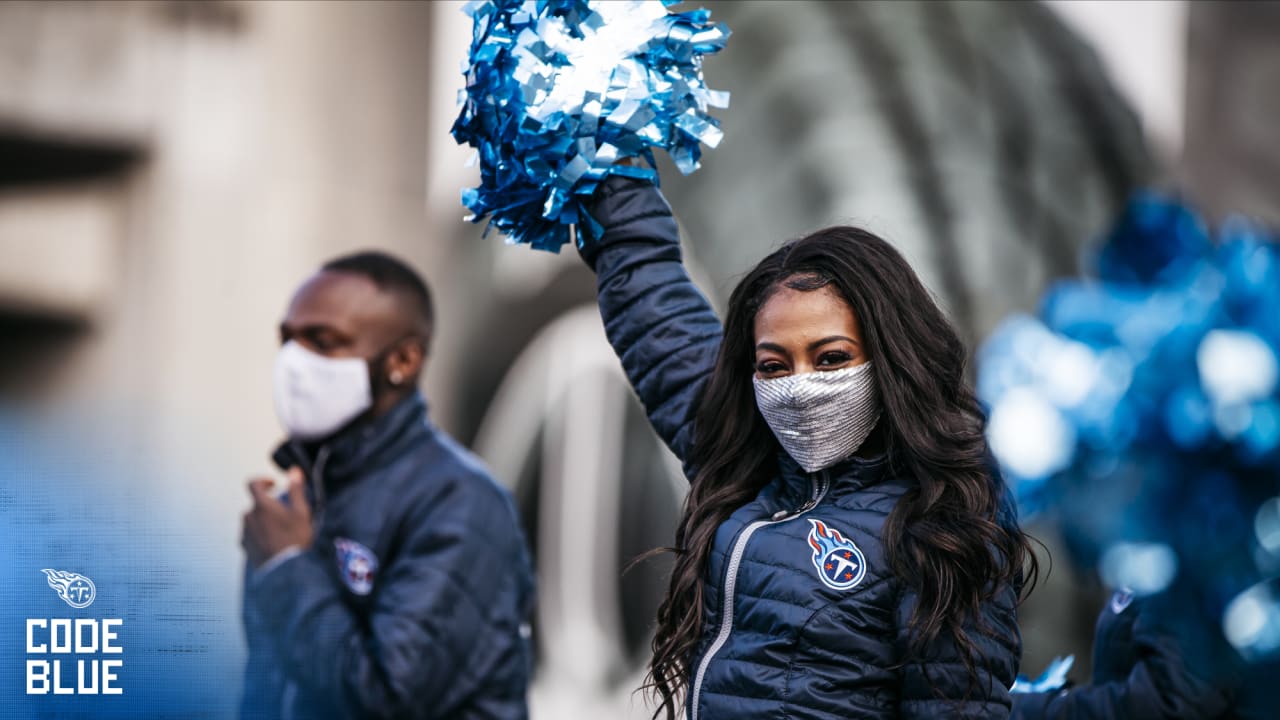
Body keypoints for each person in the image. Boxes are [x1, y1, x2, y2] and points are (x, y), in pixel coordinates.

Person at [573, 174, 1038, 719]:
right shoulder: (746, 461)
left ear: (892, 359)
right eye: (774, 365)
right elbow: (657, 315)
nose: (799, 387)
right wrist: (606, 159)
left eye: (832, 358)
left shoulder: (943, 520)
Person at [239, 251, 534, 719]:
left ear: (403, 359)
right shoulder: (293, 507)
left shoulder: (459, 503)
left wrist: (287, 567)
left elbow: (386, 698)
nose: (295, 363)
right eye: (288, 339)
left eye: (323, 340)